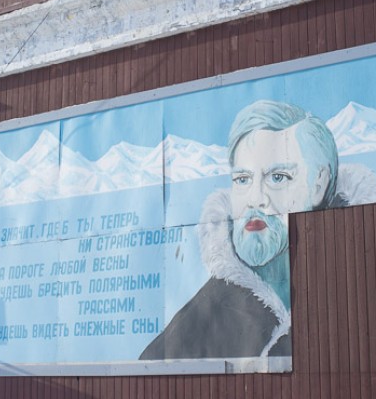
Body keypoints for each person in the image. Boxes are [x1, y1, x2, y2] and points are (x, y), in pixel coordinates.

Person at [140, 100, 340, 361]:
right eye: (242, 180)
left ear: (318, 184)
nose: (255, 199)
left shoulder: (356, 284)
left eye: (278, 177)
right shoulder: (190, 331)